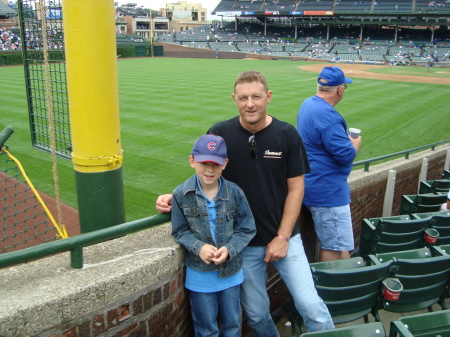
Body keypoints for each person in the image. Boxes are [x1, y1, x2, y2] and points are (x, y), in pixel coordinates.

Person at [157, 71, 334, 335]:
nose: (250, 103)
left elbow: (297, 188)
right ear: (234, 99)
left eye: (256, 97)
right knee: (256, 314)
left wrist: (283, 237)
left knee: (311, 305)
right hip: (243, 245)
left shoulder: (287, 134)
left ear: (268, 97)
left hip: (285, 237)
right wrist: (177, 195)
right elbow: (207, 170)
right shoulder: (220, 132)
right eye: (243, 98)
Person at [171, 134, 256, 337]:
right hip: (199, 275)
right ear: (192, 161)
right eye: (204, 163)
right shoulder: (181, 194)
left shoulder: (235, 193)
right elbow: (180, 230)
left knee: (233, 326)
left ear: (225, 164)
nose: (209, 170)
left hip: (231, 274)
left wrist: (230, 248)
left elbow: (247, 228)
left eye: (215, 164)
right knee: (206, 328)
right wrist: (198, 247)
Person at [296, 66, 362, 262]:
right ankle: (332, 290)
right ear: (340, 90)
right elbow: (345, 155)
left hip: (312, 182)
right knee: (333, 247)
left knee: (341, 246)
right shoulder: (328, 116)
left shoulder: (308, 104)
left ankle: (343, 283)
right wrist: (355, 143)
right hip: (327, 191)